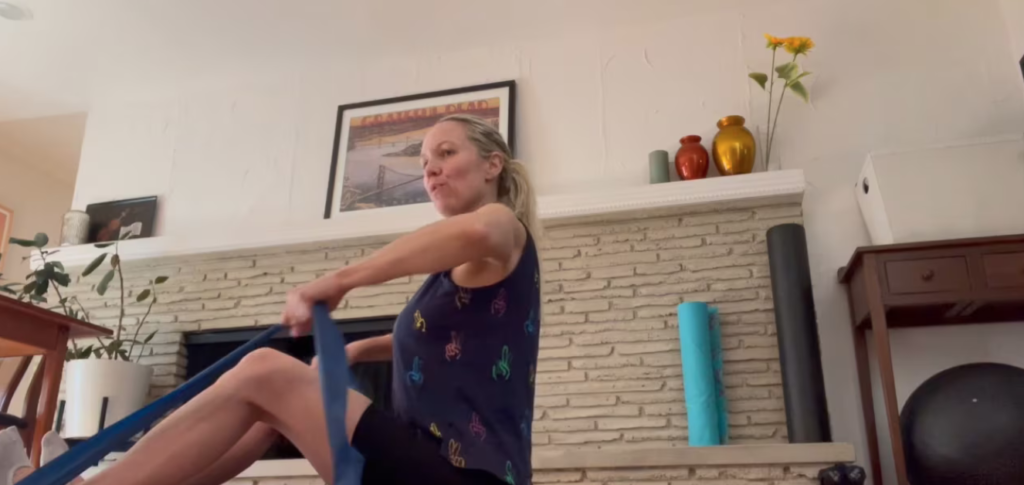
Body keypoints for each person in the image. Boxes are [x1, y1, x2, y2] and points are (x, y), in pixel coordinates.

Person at [2, 114, 542, 485]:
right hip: (414, 465)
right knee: (268, 408)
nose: (430, 169)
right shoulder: (462, 276)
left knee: (264, 370)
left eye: (446, 153)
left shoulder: (501, 227)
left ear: (493, 165)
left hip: (462, 475)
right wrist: (355, 353)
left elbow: (475, 233)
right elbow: (441, 340)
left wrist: (341, 280)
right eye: (424, 161)